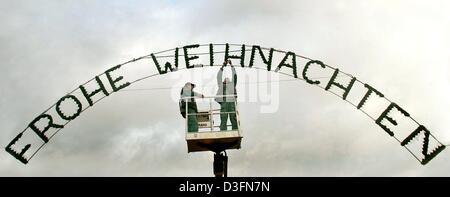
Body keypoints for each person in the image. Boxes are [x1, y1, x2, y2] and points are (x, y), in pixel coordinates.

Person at [216, 60, 238, 131]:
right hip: (224, 103)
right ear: (224, 81)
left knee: (233, 118)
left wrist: (232, 65)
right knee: (223, 118)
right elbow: (218, 76)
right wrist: (222, 66)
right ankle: (223, 131)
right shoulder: (221, 86)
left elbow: (234, 75)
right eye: (226, 79)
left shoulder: (232, 85)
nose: (227, 79)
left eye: (228, 79)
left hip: (231, 103)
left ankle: (235, 130)